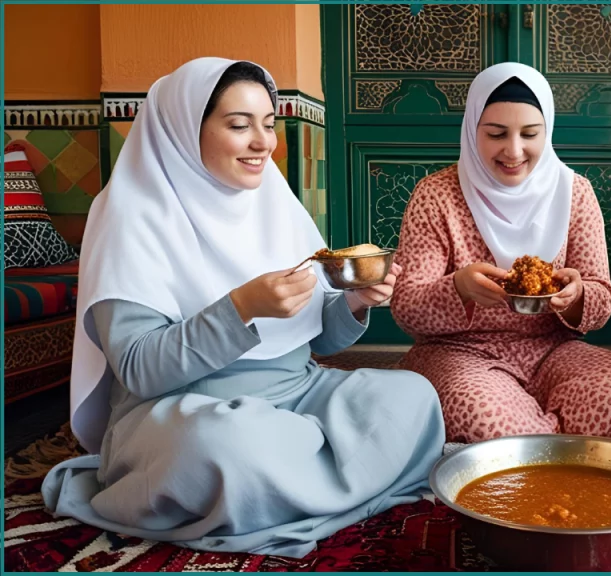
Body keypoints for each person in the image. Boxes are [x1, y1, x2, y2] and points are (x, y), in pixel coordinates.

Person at [41, 58, 445, 559]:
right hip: (186, 410)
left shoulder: (273, 203)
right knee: (226, 449)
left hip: (297, 393)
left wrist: (355, 301)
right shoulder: (130, 214)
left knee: (413, 398)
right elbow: (140, 370)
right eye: (239, 125)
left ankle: (286, 490)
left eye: (269, 124)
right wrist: (240, 307)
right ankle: (327, 481)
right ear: (188, 130)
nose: (263, 143)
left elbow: (317, 340)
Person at [391, 62, 611, 443]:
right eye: (496, 134)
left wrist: (576, 295)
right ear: (472, 131)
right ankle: (562, 453)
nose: (514, 150)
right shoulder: (436, 195)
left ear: (546, 131)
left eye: (530, 134)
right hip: (460, 354)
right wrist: (460, 288)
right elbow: (406, 306)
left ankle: (524, 457)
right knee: (485, 418)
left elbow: (600, 300)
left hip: (553, 351)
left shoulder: (574, 192)